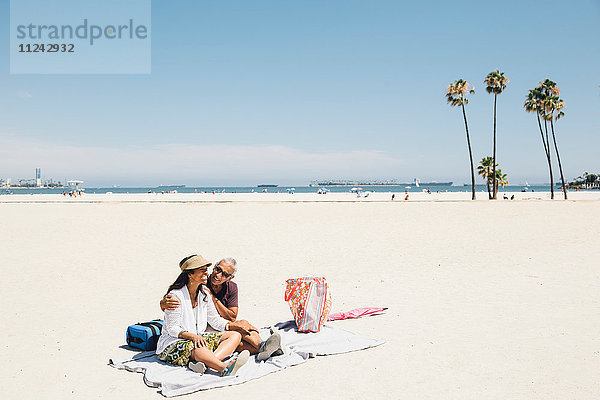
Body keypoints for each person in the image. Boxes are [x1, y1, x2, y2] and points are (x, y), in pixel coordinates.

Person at [161, 258, 283, 360]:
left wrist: (213, 299)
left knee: (242, 327)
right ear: (214, 267)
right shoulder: (202, 281)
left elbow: (231, 316)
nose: (218, 275)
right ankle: (267, 349)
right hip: (204, 326)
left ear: (230, 278)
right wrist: (163, 303)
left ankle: (263, 347)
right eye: (218, 269)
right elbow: (174, 304)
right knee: (237, 337)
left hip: (218, 323)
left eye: (224, 274)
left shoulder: (230, 288)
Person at [155, 255, 250, 376]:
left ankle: (208, 362)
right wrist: (193, 337)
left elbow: (215, 320)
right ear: (190, 274)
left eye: (206, 269)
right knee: (199, 347)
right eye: (202, 270)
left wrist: (233, 326)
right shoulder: (175, 296)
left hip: (198, 337)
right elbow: (172, 329)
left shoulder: (204, 293)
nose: (207, 273)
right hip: (173, 342)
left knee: (235, 335)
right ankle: (223, 368)